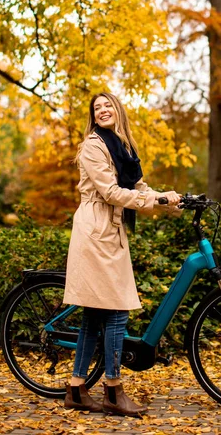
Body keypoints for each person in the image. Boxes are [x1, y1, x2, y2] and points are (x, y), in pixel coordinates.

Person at [63, 92, 181, 417]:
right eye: (97, 108)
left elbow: (138, 187)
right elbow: (112, 192)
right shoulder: (93, 146)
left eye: (107, 105)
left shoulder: (123, 146)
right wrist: (154, 202)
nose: (102, 110)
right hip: (96, 229)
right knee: (116, 311)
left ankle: (76, 388)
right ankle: (113, 391)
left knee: (94, 315)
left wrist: (168, 199)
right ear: (94, 116)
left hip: (109, 230)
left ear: (118, 110)